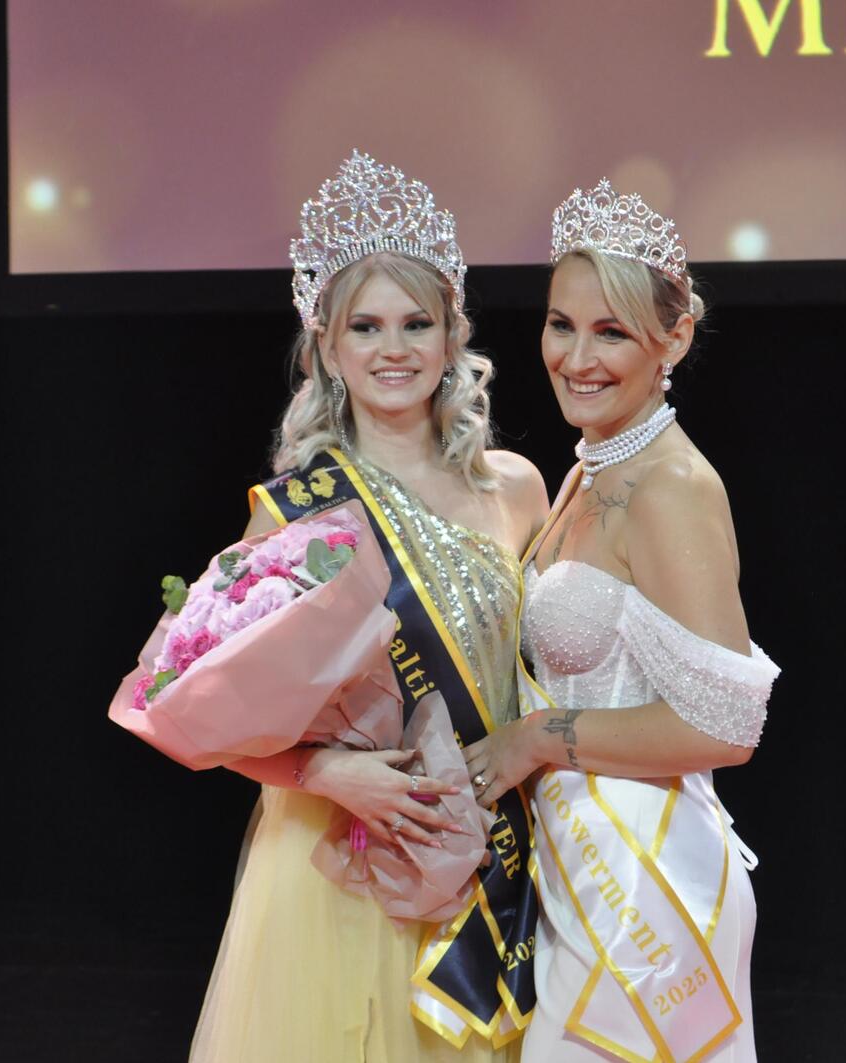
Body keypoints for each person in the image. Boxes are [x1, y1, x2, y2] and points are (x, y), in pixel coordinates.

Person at [188, 151, 550, 1062]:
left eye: (417, 322)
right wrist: (327, 773)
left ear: (452, 335)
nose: (395, 349)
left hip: (484, 863)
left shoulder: (517, 488)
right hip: (339, 864)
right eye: (367, 326)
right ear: (327, 348)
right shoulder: (296, 511)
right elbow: (210, 713)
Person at [461, 181, 781, 1062]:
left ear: (673, 338)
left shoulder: (671, 486)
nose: (577, 357)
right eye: (560, 324)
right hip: (582, 873)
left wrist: (535, 739)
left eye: (611, 332)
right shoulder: (590, 469)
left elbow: (727, 725)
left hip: (647, 893)